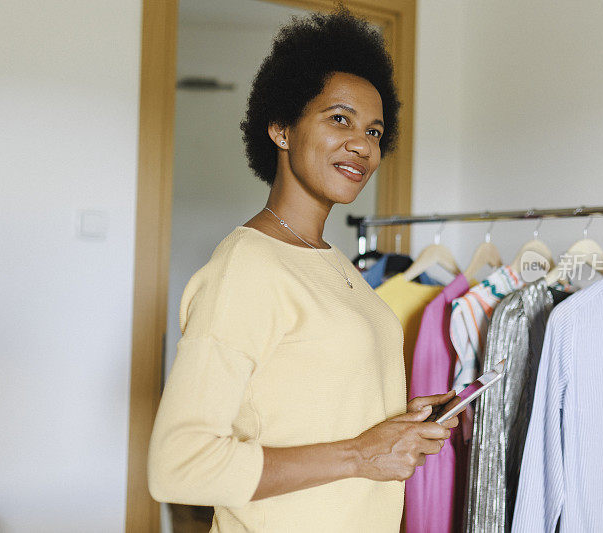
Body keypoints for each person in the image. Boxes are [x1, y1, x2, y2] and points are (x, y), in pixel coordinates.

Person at [147, 8, 459, 532]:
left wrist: (396, 427)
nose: (362, 144)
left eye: (375, 130)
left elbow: (309, 401)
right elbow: (178, 465)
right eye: (340, 118)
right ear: (281, 128)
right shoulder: (247, 267)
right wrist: (362, 453)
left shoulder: (332, 264)